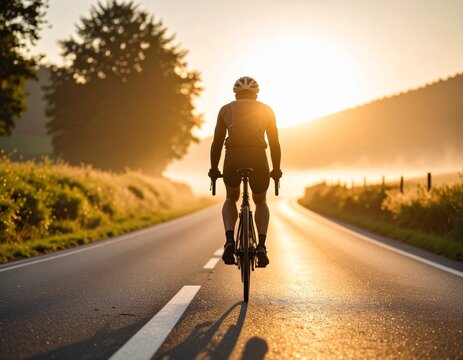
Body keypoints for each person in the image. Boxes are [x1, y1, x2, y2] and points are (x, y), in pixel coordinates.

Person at [208, 76, 282, 267]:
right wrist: (276, 170)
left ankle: (230, 240)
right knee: (260, 200)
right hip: (258, 158)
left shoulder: (226, 109)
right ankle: (262, 247)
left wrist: (214, 169)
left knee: (231, 197)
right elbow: (274, 144)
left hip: (233, 157)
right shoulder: (267, 110)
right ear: (256, 94)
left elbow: (216, 143)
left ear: (236, 94)